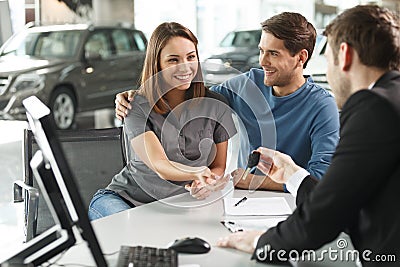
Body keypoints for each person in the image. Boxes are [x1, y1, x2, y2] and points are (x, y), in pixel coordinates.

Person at [217, 5, 400, 266]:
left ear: (344, 55)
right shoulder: (392, 99)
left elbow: (326, 215)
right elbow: (345, 195)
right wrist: (293, 175)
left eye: (328, 60)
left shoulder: (374, 108)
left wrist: (261, 242)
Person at [114, 12, 340, 192]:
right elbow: (190, 93)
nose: (262, 61)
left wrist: (252, 181)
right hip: (242, 201)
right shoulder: (245, 86)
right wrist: (136, 95)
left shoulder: (322, 106)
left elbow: (319, 179)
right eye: (261, 51)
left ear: (301, 57)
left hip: (292, 204)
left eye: (273, 54)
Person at [88, 22, 236, 220]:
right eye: (173, 60)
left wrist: (206, 183)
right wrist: (197, 172)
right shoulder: (136, 105)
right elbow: (159, 164)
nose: (185, 66)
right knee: (134, 234)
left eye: (191, 57)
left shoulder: (216, 104)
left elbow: (218, 166)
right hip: (125, 201)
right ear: (156, 64)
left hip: (179, 205)